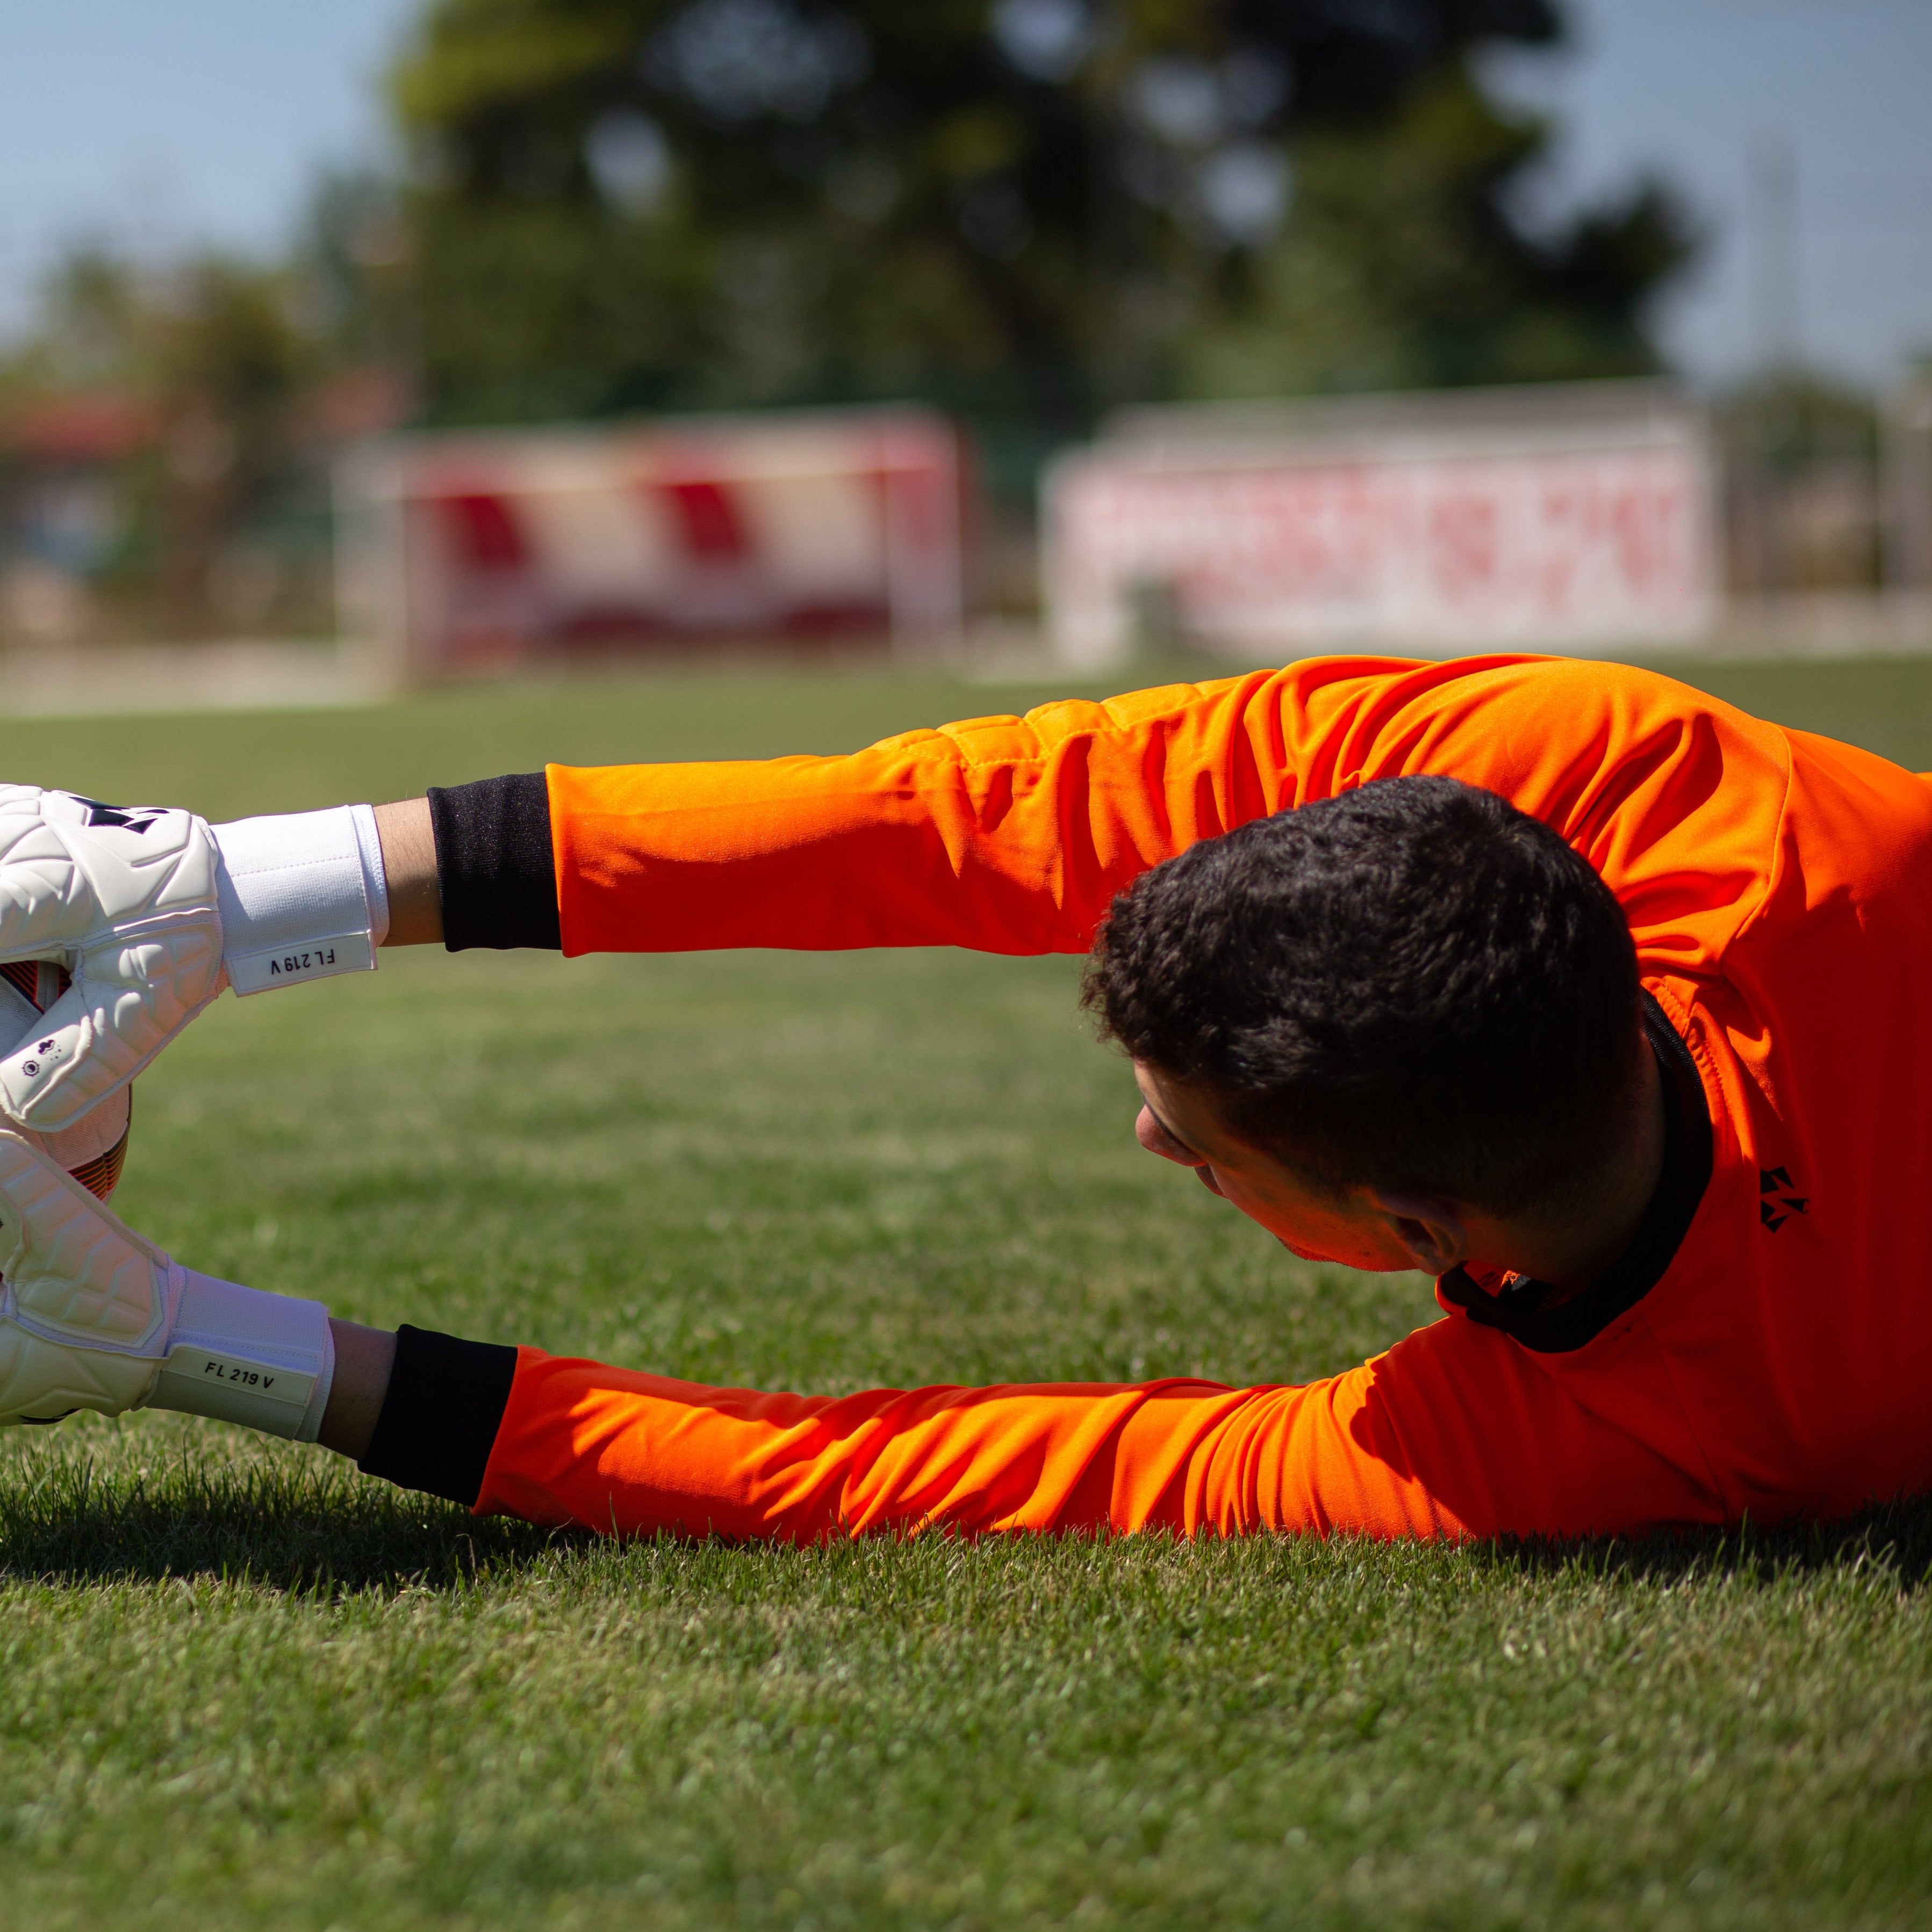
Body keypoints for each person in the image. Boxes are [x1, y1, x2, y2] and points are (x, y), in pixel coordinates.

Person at [2, 652, 1929, 1542]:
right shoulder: (1629, 778)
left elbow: (877, 1473)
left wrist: (187, 1341)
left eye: (1198, 1136)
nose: (1148, 1141)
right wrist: (243, 894)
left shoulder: (1638, 1448)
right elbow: (970, 815)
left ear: (1415, 1236)